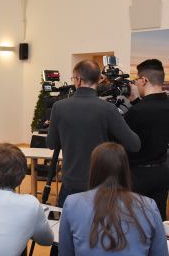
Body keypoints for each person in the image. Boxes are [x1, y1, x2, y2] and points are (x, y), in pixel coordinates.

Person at [47, 60, 140, 207]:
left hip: (71, 183)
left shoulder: (59, 107)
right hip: (101, 184)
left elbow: (51, 144)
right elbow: (134, 144)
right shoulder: (107, 109)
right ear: (98, 80)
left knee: (69, 228)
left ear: (77, 80)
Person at [59, 142, 168, 256]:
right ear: (126, 170)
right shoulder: (149, 205)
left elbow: (65, 252)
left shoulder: (72, 203)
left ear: (93, 169)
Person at [124, 59, 169, 220]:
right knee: (158, 218)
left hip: (137, 175)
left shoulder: (136, 112)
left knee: (135, 220)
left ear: (144, 80)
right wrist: (135, 101)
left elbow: (123, 141)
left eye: (137, 80)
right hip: (163, 171)